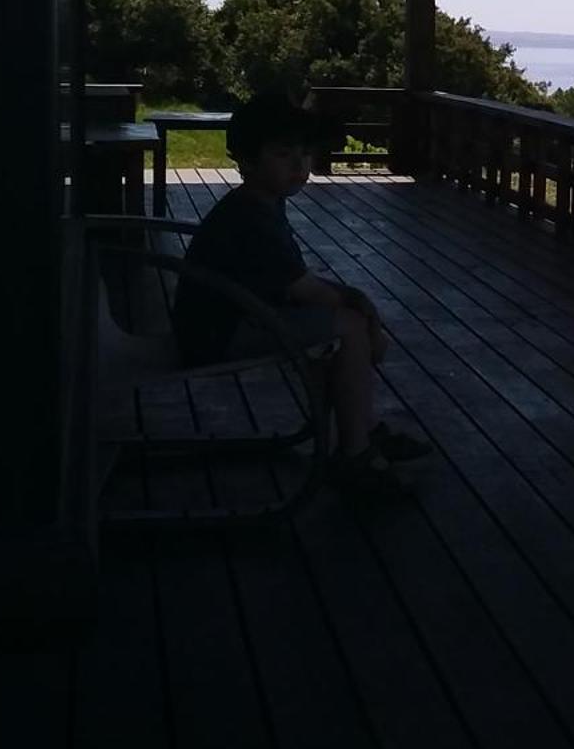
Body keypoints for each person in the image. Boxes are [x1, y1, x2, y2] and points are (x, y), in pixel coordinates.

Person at [173, 94, 430, 493]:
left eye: (305, 154)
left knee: (343, 324)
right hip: (217, 336)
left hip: (229, 321)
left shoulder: (257, 205)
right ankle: (355, 454)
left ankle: (359, 429)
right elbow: (307, 290)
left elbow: (295, 285)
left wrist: (356, 304)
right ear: (247, 161)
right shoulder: (253, 219)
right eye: (283, 154)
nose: (300, 166)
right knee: (347, 327)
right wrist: (368, 315)